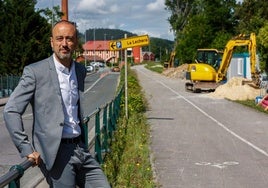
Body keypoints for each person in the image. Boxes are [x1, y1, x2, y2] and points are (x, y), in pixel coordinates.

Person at [3, 20, 110, 188]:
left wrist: (81, 144)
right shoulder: (35, 72)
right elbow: (11, 110)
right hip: (56, 154)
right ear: (51, 42)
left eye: (69, 38)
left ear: (75, 42)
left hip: (80, 148)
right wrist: (26, 148)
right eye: (59, 38)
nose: (64, 44)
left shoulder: (80, 70)